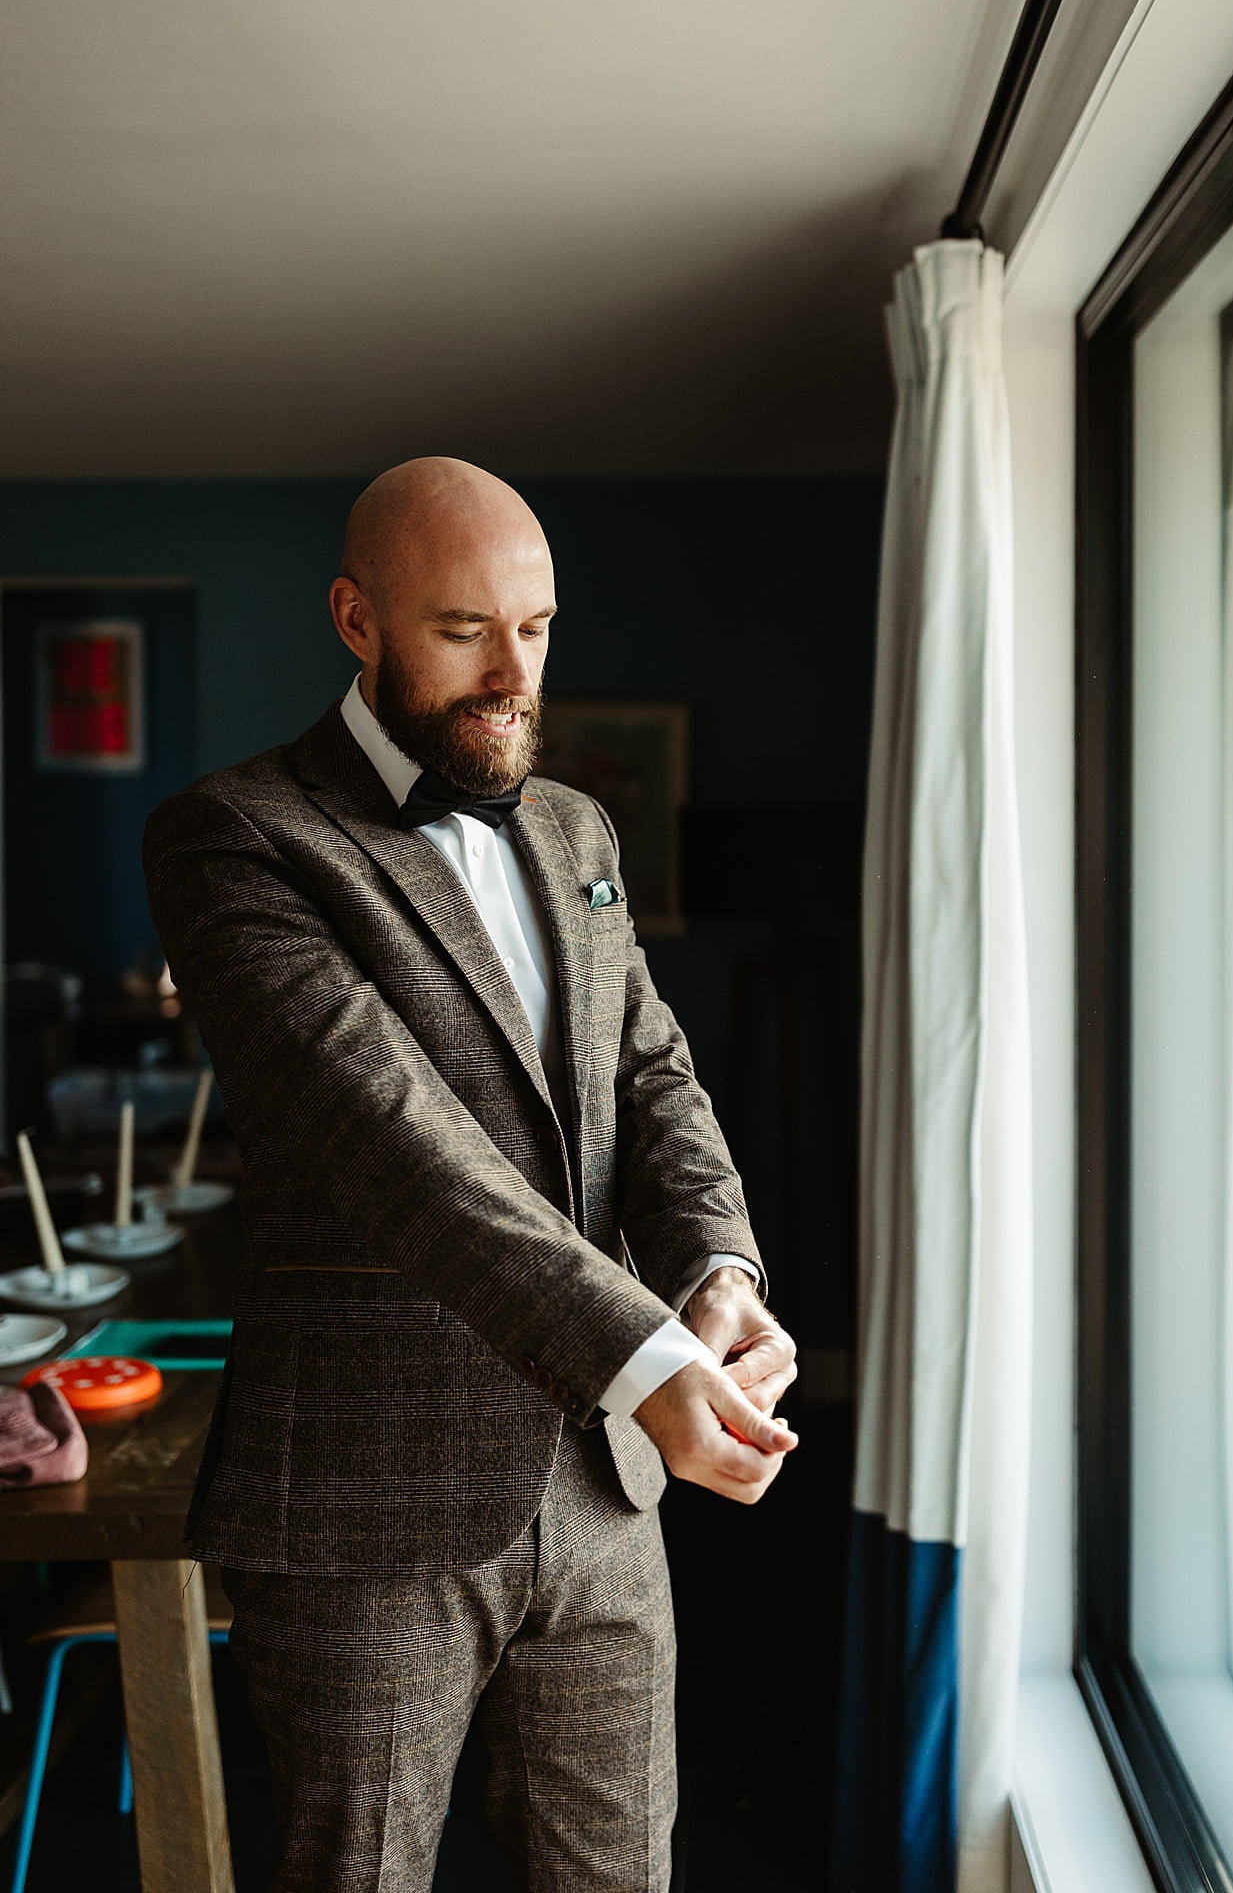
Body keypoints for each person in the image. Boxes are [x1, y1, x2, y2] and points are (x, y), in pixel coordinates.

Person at [143, 456, 797, 1893]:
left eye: (539, 627)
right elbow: (395, 1144)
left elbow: (652, 1074)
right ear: (355, 617)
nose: (515, 672)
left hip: (607, 1492)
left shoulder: (575, 830)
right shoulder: (236, 836)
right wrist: (642, 1350)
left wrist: (715, 1271)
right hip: (369, 1498)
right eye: (463, 631)